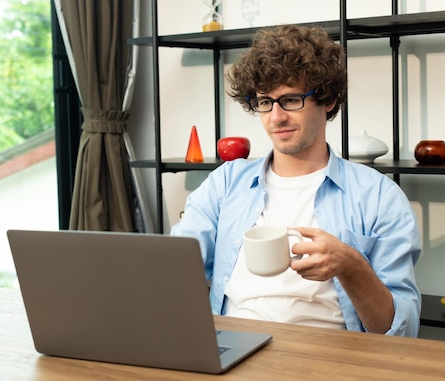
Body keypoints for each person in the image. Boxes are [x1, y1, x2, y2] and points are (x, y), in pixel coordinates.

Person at [170, 24, 421, 337]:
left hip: (328, 356)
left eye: (290, 100)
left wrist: (351, 267)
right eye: (264, 101)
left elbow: (402, 331)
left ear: (327, 99)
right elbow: (174, 265)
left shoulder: (379, 196)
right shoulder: (225, 184)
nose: (276, 117)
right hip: (233, 347)